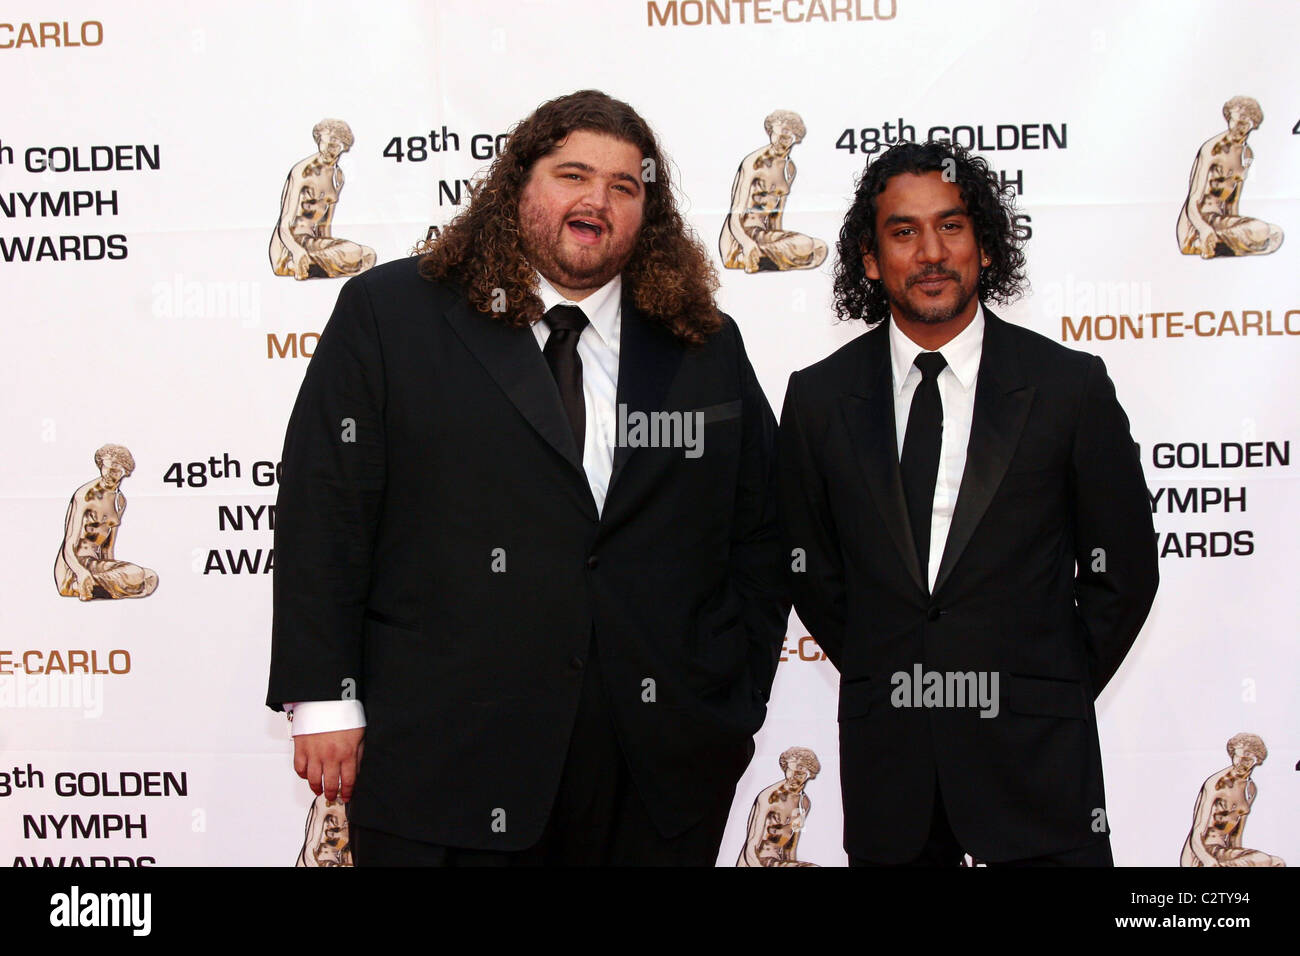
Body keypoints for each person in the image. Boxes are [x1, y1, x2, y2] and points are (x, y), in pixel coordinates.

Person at [266, 90, 789, 866]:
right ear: (517, 187)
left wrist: (730, 702)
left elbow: (762, 524)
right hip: (447, 757)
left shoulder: (701, 341)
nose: (597, 200)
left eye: (625, 185)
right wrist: (325, 696)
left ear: (649, 211)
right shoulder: (394, 313)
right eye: (572, 173)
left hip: (653, 768)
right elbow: (326, 507)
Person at [777, 141, 1159, 866]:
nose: (931, 252)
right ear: (868, 257)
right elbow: (813, 573)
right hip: (891, 772)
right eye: (903, 231)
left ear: (984, 246)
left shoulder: (1068, 387)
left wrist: (1044, 684)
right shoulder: (818, 398)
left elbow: (1126, 573)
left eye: (952, 227)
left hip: (1038, 766)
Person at [719, 110, 827, 272]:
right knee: (805, 245)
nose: (780, 139)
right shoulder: (753, 163)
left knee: (820, 247)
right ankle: (747, 256)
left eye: (787, 134)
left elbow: (775, 218)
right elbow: (735, 215)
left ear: (796, 137)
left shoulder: (789, 169)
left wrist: (781, 242)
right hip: (739, 238)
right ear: (770, 133)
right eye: (777, 134)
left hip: (761, 235)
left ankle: (760, 260)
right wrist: (747, 243)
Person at [269, 118, 377, 279]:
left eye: (333, 145)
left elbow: (324, 226)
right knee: (353, 252)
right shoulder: (303, 172)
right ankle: (298, 264)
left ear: (343, 146)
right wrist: (297, 251)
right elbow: (285, 223)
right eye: (323, 143)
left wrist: (330, 250)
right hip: (289, 247)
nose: (327, 150)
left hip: (311, 243)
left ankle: (311, 267)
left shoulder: (337, 176)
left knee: (369, 255)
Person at [1176, 96, 1284, 258]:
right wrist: (1204, 229)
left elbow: (1232, 204)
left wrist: (1239, 230)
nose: (1238, 126)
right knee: (1260, 231)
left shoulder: (1246, 154)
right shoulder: (1212, 149)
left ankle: (1216, 245)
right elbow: (1193, 199)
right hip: (1196, 225)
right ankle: (1203, 242)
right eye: (1234, 120)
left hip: (1219, 222)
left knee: (1276, 233)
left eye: (1244, 122)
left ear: (1252, 124)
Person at [54, 443, 158, 601]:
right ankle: (79, 584)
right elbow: (69, 543)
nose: (108, 474)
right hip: (73, 567)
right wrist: (81, 572)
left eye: (115, 470)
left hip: (94, 564)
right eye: (106, 468)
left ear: (125, 472)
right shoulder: (84, 496)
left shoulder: (119, 501)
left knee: (150, 576)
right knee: (135, 575)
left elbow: (107, 549)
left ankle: (94, 587)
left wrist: (113, 572)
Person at [1181, 733, 1285, 867]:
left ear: (1257, 760)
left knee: (1278, 862)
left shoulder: (1250, 789)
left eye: (1246, 759)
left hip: (1222, 853)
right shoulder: (1216, 784)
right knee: (1262, 860)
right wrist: (1207, 860)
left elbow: (1235, 836)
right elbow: (1197, 832)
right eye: (1237, 757)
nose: (1240, 763)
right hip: (1200, 855)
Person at [736, 746, 821, 867]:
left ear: (810, 774)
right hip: (754, 862)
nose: (792, 777)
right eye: (790, 770)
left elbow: (790, 849)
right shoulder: (769, 797)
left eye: (799, 773)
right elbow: (751, 848)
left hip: (775, 862)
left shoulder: (804, 803)